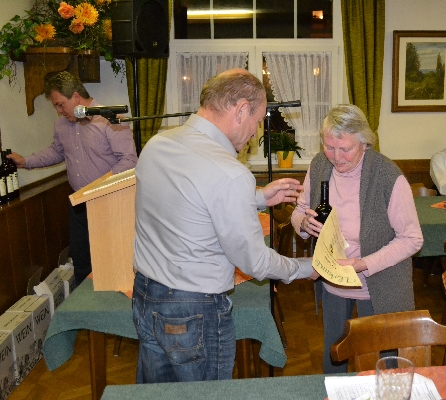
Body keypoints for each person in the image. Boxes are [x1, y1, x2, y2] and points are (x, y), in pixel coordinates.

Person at [133, 68, 315, 383]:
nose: (256, 131)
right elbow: (255, 262)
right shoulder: (229, 172)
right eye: (257, 120)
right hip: (193, 309)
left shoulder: (157, 145)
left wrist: (258, 197)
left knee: (158, 394)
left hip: (145, 295)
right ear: (241, 110)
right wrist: (306, 267)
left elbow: (188, 201)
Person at [291, 104, 423, 373]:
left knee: (381, 362)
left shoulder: (387, 176)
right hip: (333, 281)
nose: (336, 157)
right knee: (334, 356)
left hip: (378, 286)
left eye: (345, 149)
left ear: (364, 143)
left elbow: (412, 239)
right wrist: (303, 223)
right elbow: (300, 209)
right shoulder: (319, 165)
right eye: (329, 147)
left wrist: (363, 264)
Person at [7, 71, 137, 285]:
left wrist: (97, 187)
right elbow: (56, 152)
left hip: (110, 201)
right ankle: (85, 305)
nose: (58, 111)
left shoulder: (109, 119)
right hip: (78, 203)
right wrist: (25, 161)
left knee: (113, 261)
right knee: (82, 260)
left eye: (60, 105)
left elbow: (129, 160)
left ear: (76, 97)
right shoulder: (61, 125)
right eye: (56, 107)